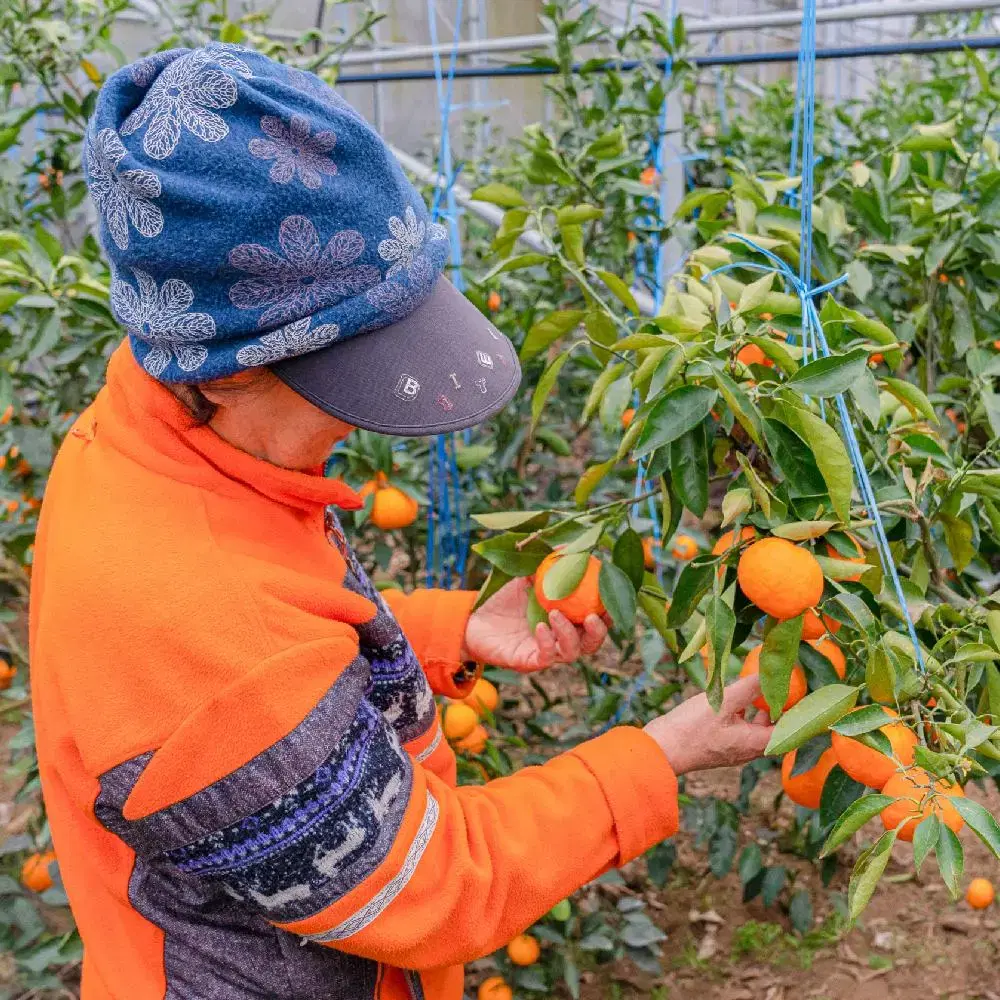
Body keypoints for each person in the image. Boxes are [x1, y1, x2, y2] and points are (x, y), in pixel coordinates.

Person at [29, 43, 773, 1000]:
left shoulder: (147, 435)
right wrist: (662, 754)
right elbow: (435, 885)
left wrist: (445, 630)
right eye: (347, 381)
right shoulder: (183, 610)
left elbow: (279, 637)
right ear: (222, 371)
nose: (354, 421)